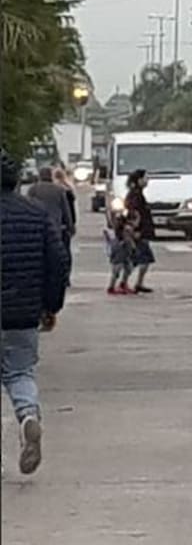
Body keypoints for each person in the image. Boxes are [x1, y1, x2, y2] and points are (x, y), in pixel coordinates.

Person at [1, 151, 70, 476]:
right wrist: (50, 306)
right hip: (23, 312)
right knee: (20, 372)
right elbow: (57, 261)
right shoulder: (35, 214)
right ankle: (28, 415)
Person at [26, 166, 75, 285]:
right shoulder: (59, 190)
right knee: (60, 252)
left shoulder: (33, 189)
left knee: (39, 252)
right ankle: (64, 277)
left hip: (36, 225)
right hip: (56, 226)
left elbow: (27, 206)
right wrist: (70, 226)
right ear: (50, 176)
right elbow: (65, 210)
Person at [123, 169, 157, 293]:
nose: (147, 180)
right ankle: (126, 282)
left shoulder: (138, 193)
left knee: (139, 259)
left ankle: (135, 282)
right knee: (141, 259)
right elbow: (134, 213)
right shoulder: (135, 195)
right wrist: (135, 229)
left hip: (142, 230)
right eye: (145, 178)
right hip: (138, 231)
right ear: (139, 180)